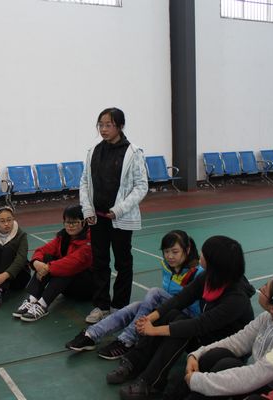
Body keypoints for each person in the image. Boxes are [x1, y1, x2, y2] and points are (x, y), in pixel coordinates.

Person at [112, 235, 255, 400]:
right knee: (171, 314)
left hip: (222, 351)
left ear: (215, 262)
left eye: (204, 254)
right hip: (206, 337)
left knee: (182, 327)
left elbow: (199, 325)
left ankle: (150, 383)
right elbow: (181, 299)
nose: (200, 255)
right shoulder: (209, 277)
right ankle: (135, 363)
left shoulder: (236, 298)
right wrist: (150, 318)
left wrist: (154, 330)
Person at [66, 230, 203, 360]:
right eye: (166, 251)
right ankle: (91, 334)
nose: (170, 256)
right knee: (137, 306)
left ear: (187, 250)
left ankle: (128, 339)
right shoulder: (168, 267)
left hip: (189, 316)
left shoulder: (198, 273)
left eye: (175, 252)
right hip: (170, 310)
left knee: (155, 292)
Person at [183, 273, 273, 399]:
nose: (261, 288)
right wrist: (197, 354)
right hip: (262, 378)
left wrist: (199, 381)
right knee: (214, 354)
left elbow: (255, 375)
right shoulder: (268, 317)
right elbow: (237, 341)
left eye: (264, 289)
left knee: (227, 365)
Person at [79, 107, 149, 324]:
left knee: (123, 263)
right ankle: (101, 306)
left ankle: (119, 306)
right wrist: (87, 209)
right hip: (97, 218)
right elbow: (84, 182)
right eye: (100, 125)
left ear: (120, 126)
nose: (103, 129)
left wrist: (118, 210)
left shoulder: (133, 153)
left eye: (108, 125)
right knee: (99, 262)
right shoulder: (93, 151)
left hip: (121, 219)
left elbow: (141, 186)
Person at [12, 205, 93, 322]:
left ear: (84, 222)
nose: (70, 226)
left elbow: (74, 262)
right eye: (67, 222)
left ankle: (43, 305)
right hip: (66, 287)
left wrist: (47, 268)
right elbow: (42, 250)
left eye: (74, 222)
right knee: (47, 258)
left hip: (85, 288)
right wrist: (36, 263)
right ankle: (32, 299)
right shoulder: (63, 237)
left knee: (66, 267)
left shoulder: (89, 241)